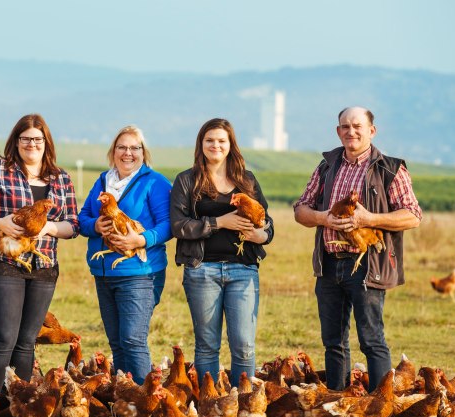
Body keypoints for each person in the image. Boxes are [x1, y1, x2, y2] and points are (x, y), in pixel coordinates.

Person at [293, 106, 422, 392]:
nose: (351, 131)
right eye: (345, 127)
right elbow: (300, 209)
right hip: (329, 262)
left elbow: (413, 215)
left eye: (357, 126)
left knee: (371, 339)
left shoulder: (389, 168)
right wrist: (323, 217)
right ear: (338, 132)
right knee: (333, 342)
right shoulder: (327, 167)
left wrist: (369, 218)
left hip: (367, 263)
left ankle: (378, 409)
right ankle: (338, 406)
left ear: (371, 131)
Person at [0, 114, 79, 417]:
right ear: (16, 141)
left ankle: (18, 412)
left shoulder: (61, 178)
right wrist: (0, 223)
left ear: (46, 144)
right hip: (1, 263)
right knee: (3, 338)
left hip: (43, 268)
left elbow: (74, 224)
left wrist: (49, 229)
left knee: (27, 342)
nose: (31, 144)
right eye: (25, 138)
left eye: (37, 139)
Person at [170, 118, 274, 385]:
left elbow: (267, 224)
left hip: (244, 270)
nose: (215, 145)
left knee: (244, 344)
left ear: (230, 145)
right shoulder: (186, 180)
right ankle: (209, 404)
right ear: (201, 144)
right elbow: (179, 226)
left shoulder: (247, 180)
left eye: (221, 141)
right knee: (207, 344)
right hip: (202, 269)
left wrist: (259, 235)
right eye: (209, 140)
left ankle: (243, 404)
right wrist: (219, 223)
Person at [78, 125, 172, 383]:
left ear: (143, 153)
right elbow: (83, 217)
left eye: (134, 148)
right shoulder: (102, 181)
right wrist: (95, 226)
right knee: (117, 342)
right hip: (104, 272)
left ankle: (144, 402)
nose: (128, 153)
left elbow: (168, 224)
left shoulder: (155, 182)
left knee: (132, 338)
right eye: (122, 147)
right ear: (113, 152)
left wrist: (140, 238)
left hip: (139, 273)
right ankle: (125, 400)